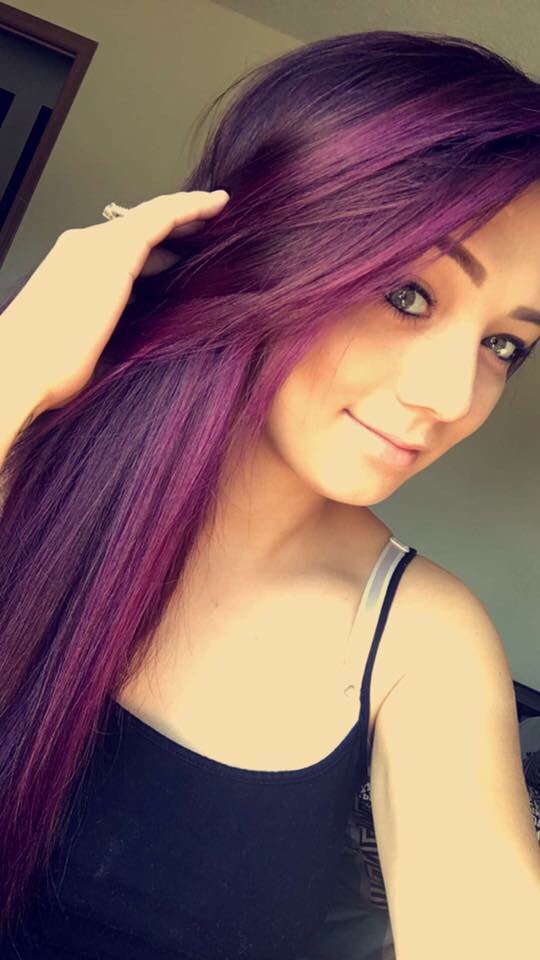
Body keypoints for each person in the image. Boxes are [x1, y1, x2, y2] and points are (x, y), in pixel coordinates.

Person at [1, 28, 539, 960]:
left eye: (506, 345)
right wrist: (14, 370)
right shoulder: (27, 455)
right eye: (409, 294)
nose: (455, 397)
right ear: (268, 241)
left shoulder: (423, 643)